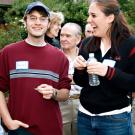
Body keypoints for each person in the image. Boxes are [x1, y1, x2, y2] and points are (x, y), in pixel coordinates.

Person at [0, 1, 71, 135]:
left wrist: (54, 92)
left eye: (42, 19)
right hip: (19, 129)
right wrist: (8, 121)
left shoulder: (59, 56)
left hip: (51, 129)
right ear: (25, 21)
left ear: (48, 24)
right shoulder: (9, 52)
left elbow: (65, 93)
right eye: (33, 18)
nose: (37, 22)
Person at [73, 0, 135, 135]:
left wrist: (108, 72)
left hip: (115, 120)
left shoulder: (130, 44)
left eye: (93, 15)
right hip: (84, 117)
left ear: (110, 18)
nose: (89, 20)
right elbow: (80, 82)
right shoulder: (86, 43)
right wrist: (79, 69)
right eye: (89, 15)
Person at [60, 22, 82, 135]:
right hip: (60, 103)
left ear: (78, 39)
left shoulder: (86, 56)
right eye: (62, 35)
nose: (63, 39)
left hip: (82, 103)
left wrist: (67, 78)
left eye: (68, 36)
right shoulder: (54, 56)